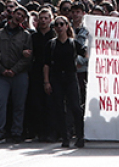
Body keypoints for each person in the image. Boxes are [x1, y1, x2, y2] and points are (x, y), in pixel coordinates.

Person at [44, 16, 86, 148]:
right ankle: (65, 137)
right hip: (56, 78)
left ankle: (80, 136)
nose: (59, 27)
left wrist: (80, 63)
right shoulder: (51, 44)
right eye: (56, 25)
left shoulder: (73, 43)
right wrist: (46, 81)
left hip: (70, 77)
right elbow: (46, 64)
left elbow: (86, 54)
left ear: (67, 26)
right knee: (59, 108)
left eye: (62, 24)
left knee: (75, 107)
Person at [0, 6, 33, 143]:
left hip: (19, 74)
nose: (19, 17)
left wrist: (14, 70)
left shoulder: (26, 35)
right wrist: (2, 69)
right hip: (2, 74)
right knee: (0, 102)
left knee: (19, 104)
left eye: (22, 16)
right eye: (17, 14)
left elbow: (27, 57)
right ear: (12, 14)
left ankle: (17, 131)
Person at [27, 8, 56, 141]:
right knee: (37, 103)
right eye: (41, 18)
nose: (43, 20)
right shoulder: (33, 37)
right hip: (37, 71)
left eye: (46, 18)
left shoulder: (55, 35)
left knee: (51, 103)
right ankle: (40, 132)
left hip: (53, 71)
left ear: (51, 19)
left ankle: (52, 132)